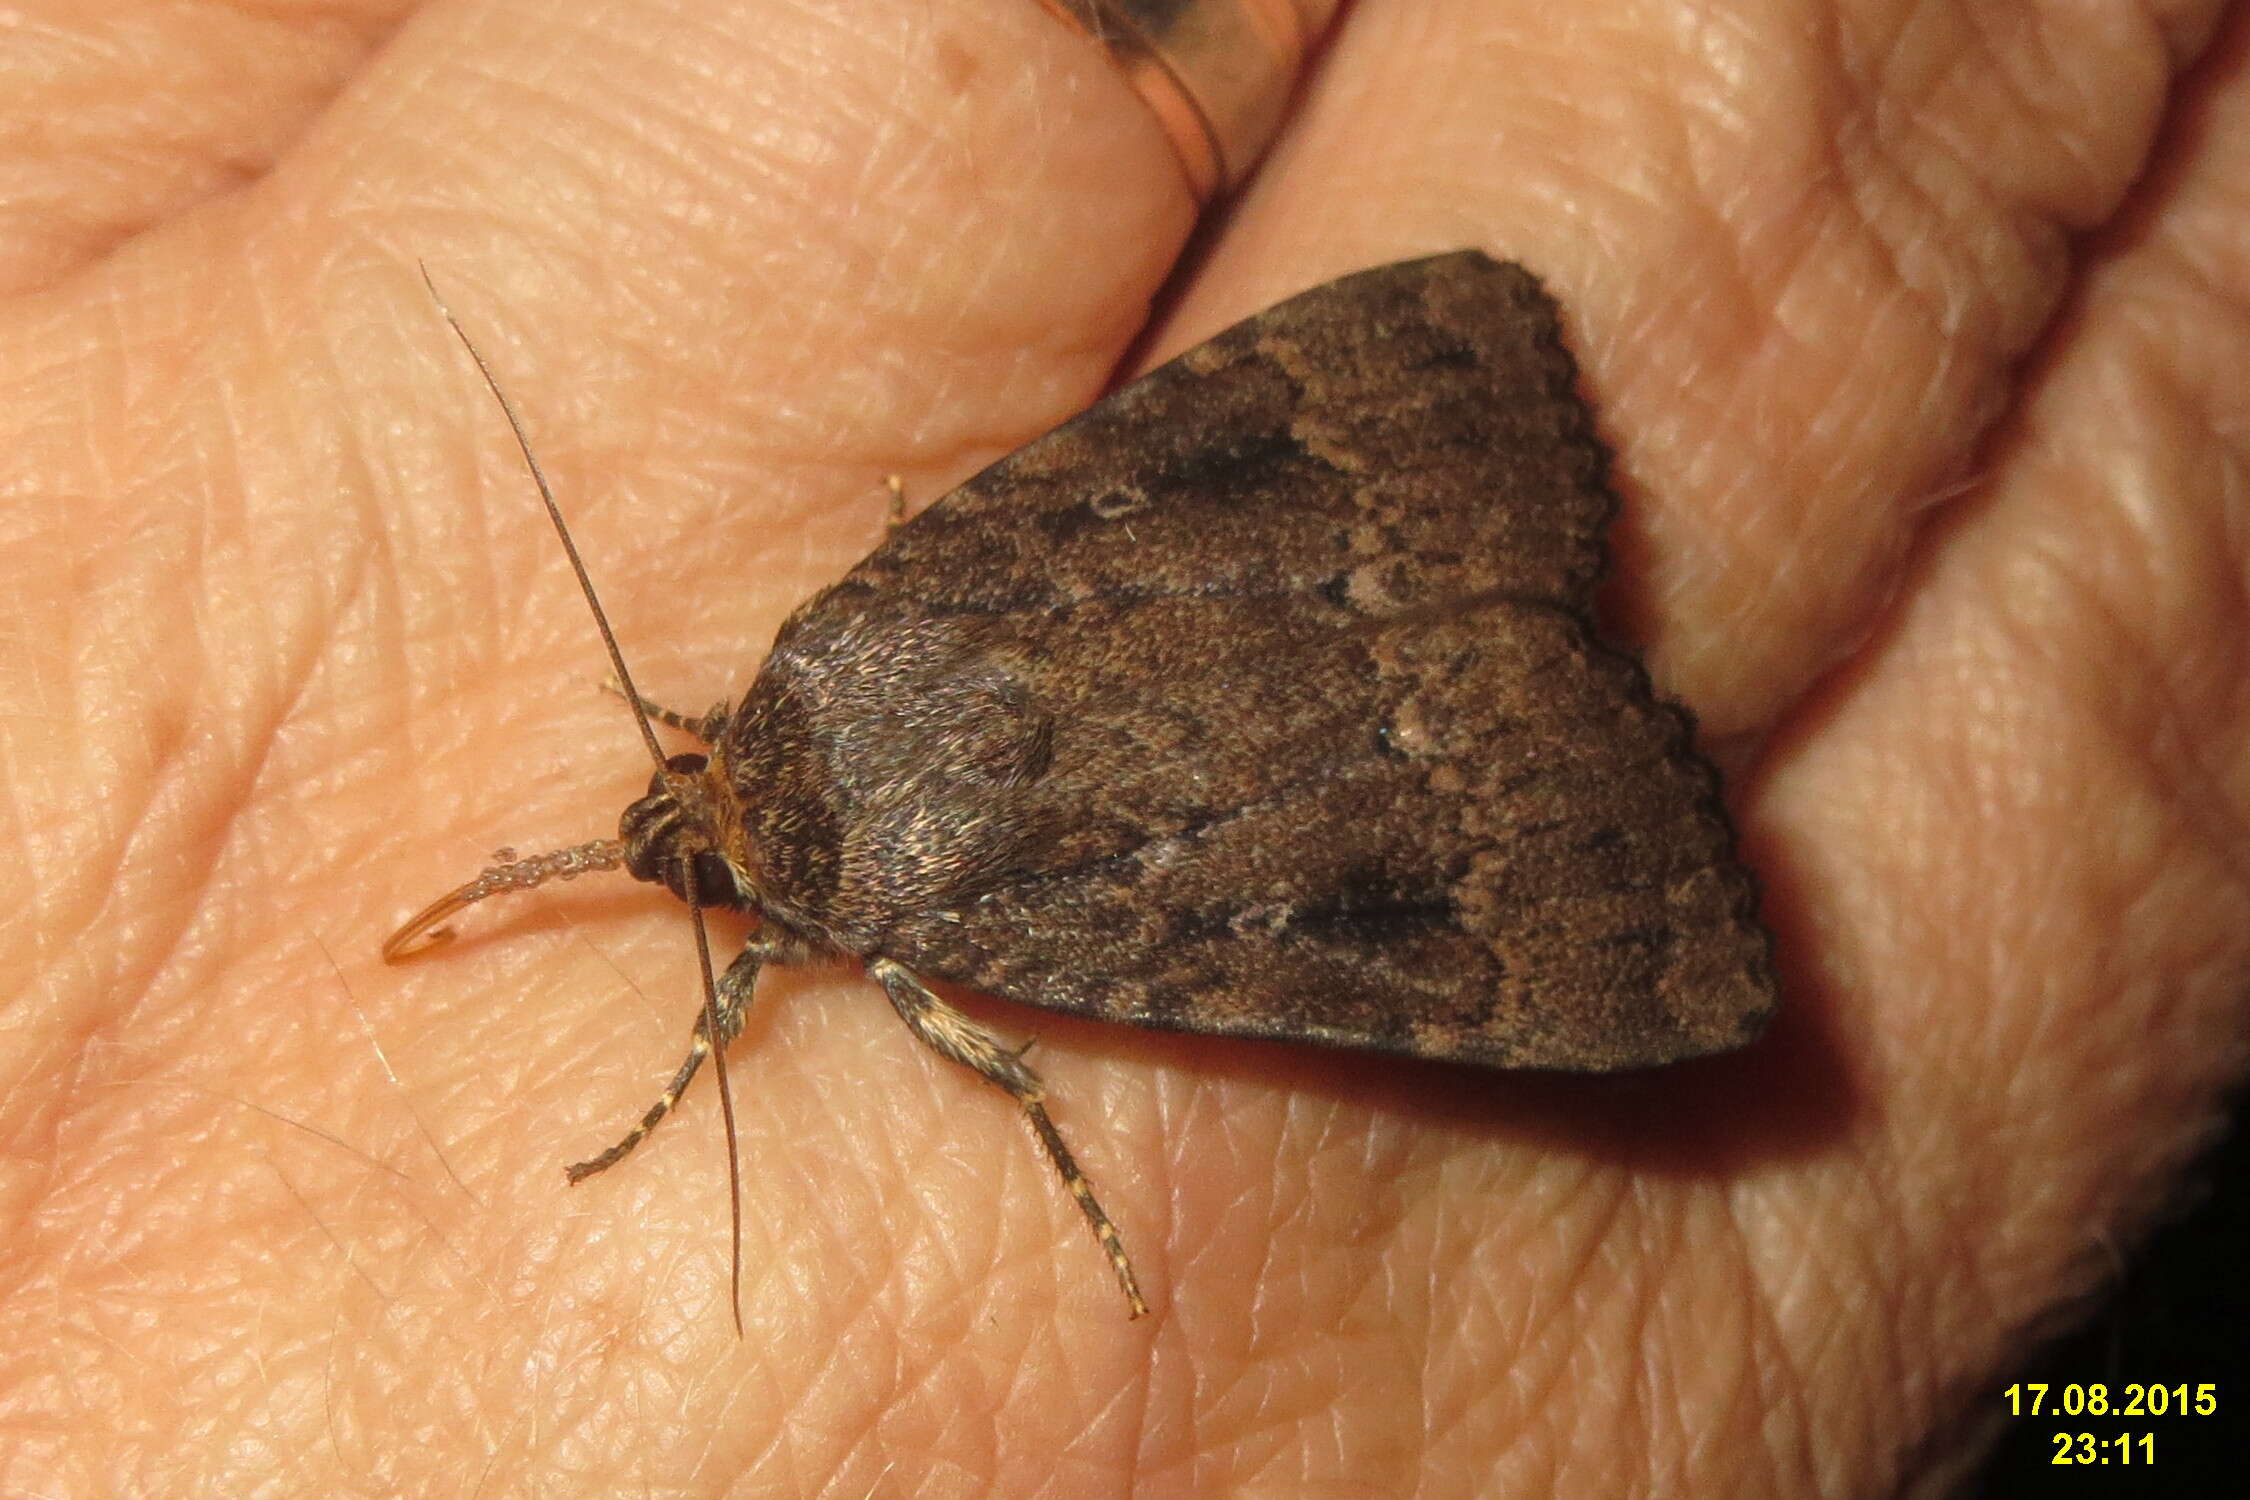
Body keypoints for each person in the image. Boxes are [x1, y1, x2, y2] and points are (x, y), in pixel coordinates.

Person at [2, 0, 2244, 1492]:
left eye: (685, 837)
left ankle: (2139, 1404)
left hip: (1301, 850)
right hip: (1285, 519)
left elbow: (806, 989)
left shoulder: (858, 917)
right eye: (685, 835)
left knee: (2099, 1398)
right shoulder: (832, 652)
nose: (674, 819)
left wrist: (737, 1080)